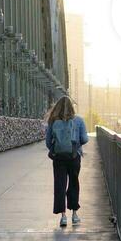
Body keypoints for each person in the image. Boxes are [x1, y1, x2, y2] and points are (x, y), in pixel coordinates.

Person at [44, 96, 88, 228]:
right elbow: (85, 139)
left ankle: (63, 217)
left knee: (60, 185)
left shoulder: (53, 121)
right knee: (74, 183)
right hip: (74, 157)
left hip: (58, 158)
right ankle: (74, 215)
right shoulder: (78, 120)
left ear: (57, 107)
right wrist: (76, 146)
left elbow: (47, 142)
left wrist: (56, 150)